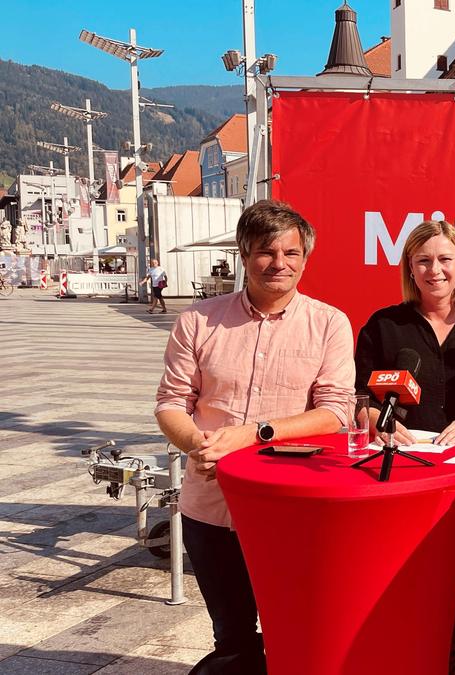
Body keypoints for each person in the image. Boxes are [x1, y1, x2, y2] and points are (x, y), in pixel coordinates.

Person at [154, 200, 355, 674]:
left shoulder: (329, 324)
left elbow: (335, 412)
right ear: (244, 255)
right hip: (210, 505)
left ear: (305, 257)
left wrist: (254, 434)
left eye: (292, 252)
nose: (279, 263)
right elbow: (170, 404)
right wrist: (198, 446)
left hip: (291, 507)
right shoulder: (198, 321)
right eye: (266, 251)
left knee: (298, 629)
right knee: (232, 635)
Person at [354, 220, 455, 675]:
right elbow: (361, 397)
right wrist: (374, 423)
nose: (435, 270)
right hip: (398, 477)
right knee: (399, 587)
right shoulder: (384, 325)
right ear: (410, 267)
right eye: (423, 260)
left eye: (445, 259)